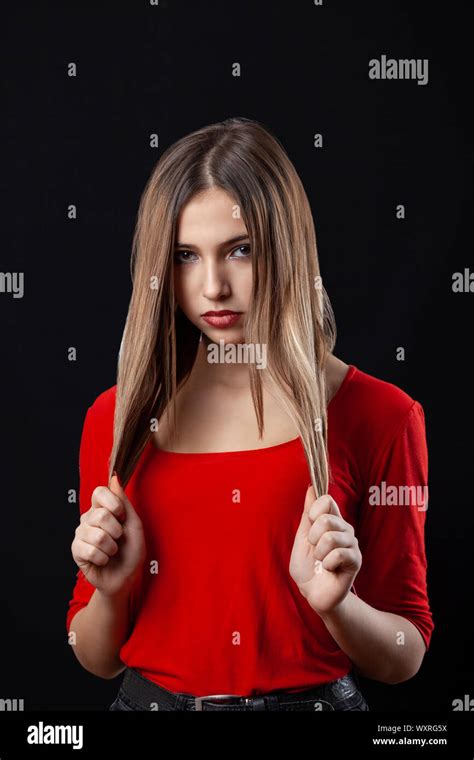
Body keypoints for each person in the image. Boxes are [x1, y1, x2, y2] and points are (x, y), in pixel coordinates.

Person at [66, 117, 434, 711]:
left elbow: (404, 653)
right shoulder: (117, 417)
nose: (212, 286)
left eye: (240, 250)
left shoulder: (382, 415)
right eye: (185, 256)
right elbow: (94, 654)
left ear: (287, 249)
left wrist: (337, 605)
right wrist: (108, 594)